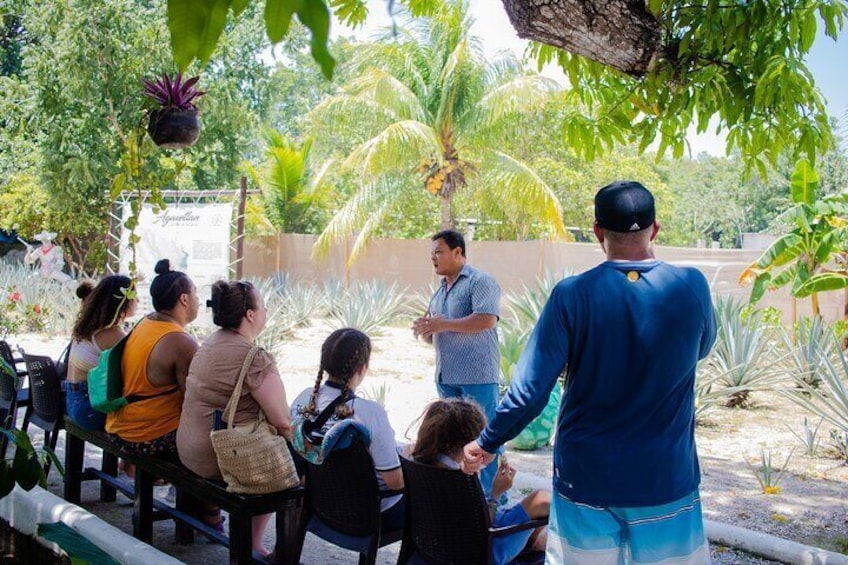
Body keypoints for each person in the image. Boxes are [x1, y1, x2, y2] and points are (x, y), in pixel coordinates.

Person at [464, 181, 717, 564]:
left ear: (597, 232)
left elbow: (530, 391)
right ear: (656, 229)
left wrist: (486, 442)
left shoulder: (572, 295)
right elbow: (701, 349)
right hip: (665, 477)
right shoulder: (692, 287)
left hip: (585, 478)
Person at [177, 280, 291, 555]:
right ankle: (260, 547)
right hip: (222, 458)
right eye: (262, 306)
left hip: (188, 449)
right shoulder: (255, 358)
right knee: (292, 466)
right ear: (250, 315)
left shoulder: (208, 343)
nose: (265, 311)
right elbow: (283, 421)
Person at [411, 229, 502, 498]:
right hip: (446, 375)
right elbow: (442, 332)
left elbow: (487, 319)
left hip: (478, 375)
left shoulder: (480, 281)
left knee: (485, 437)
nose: (434, 258)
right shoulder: (439, 292)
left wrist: (442, 324)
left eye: (438, 252)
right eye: (432, 254)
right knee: (451, 440)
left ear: (458, 253)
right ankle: (460, 493)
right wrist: (427, 331)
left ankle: (491, 497)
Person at [290, 328, 405, 531]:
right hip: (366, 515)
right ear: (362, 368)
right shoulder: (370, 413)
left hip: (319, 505)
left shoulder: (304, 399)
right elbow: (395, 483)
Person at [411, 398, 549, 564]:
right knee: (542, 500)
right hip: (477, 552)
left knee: (534, 513)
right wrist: (496, 493)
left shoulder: (419, 463)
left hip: (435, 545)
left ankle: (535, 542)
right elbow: (481, 527)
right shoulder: (459, 480)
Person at [105, 259, 199, 459]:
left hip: (118, 425)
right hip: (146, 435)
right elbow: (192, 401)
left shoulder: (146, 322)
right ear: (184, 299)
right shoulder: (180, 342)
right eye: (195, 293)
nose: (198, 299)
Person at [66, 276, 137, 431]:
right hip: (88, 408)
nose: (137, 301)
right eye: (134, 297)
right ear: (124, 301)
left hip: (73, 400)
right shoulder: (112, 333)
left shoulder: (90, 325)